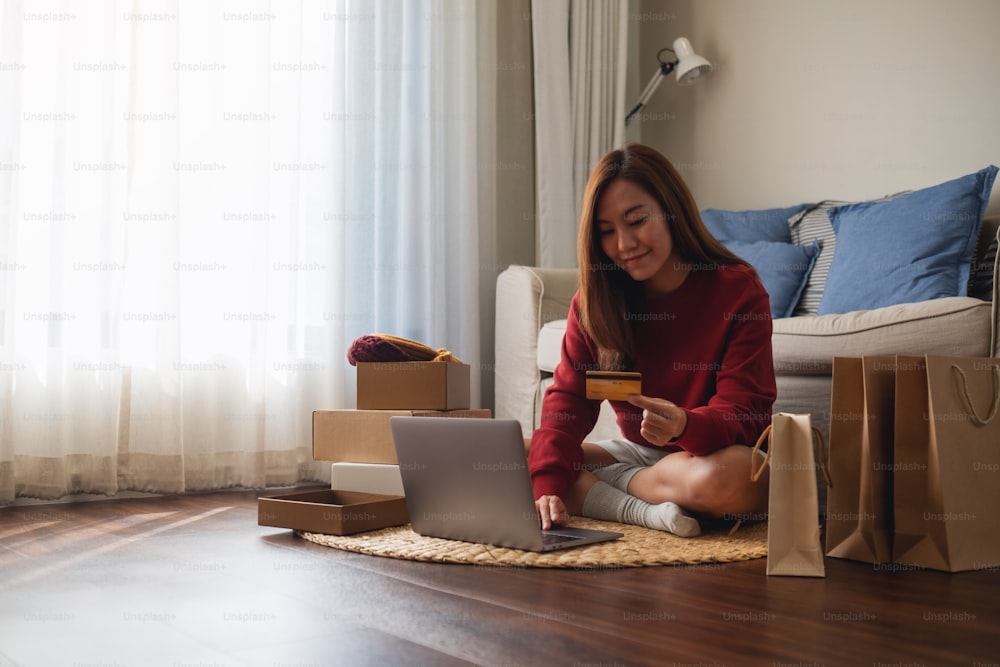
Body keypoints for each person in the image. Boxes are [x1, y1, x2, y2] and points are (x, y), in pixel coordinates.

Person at [528, 144, 776, 537]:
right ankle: (643, 511)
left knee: (741, 477)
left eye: (637, 220)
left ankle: (607, 496)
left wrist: (683, 424)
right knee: (512, 455)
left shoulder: (739, 292)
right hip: (639, 458)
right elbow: (569, 401)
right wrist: (547, 481)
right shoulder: (595, 302)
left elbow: (745, 413)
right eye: (607, 232)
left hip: (707, 457)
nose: (624, 245)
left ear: (670, 210)